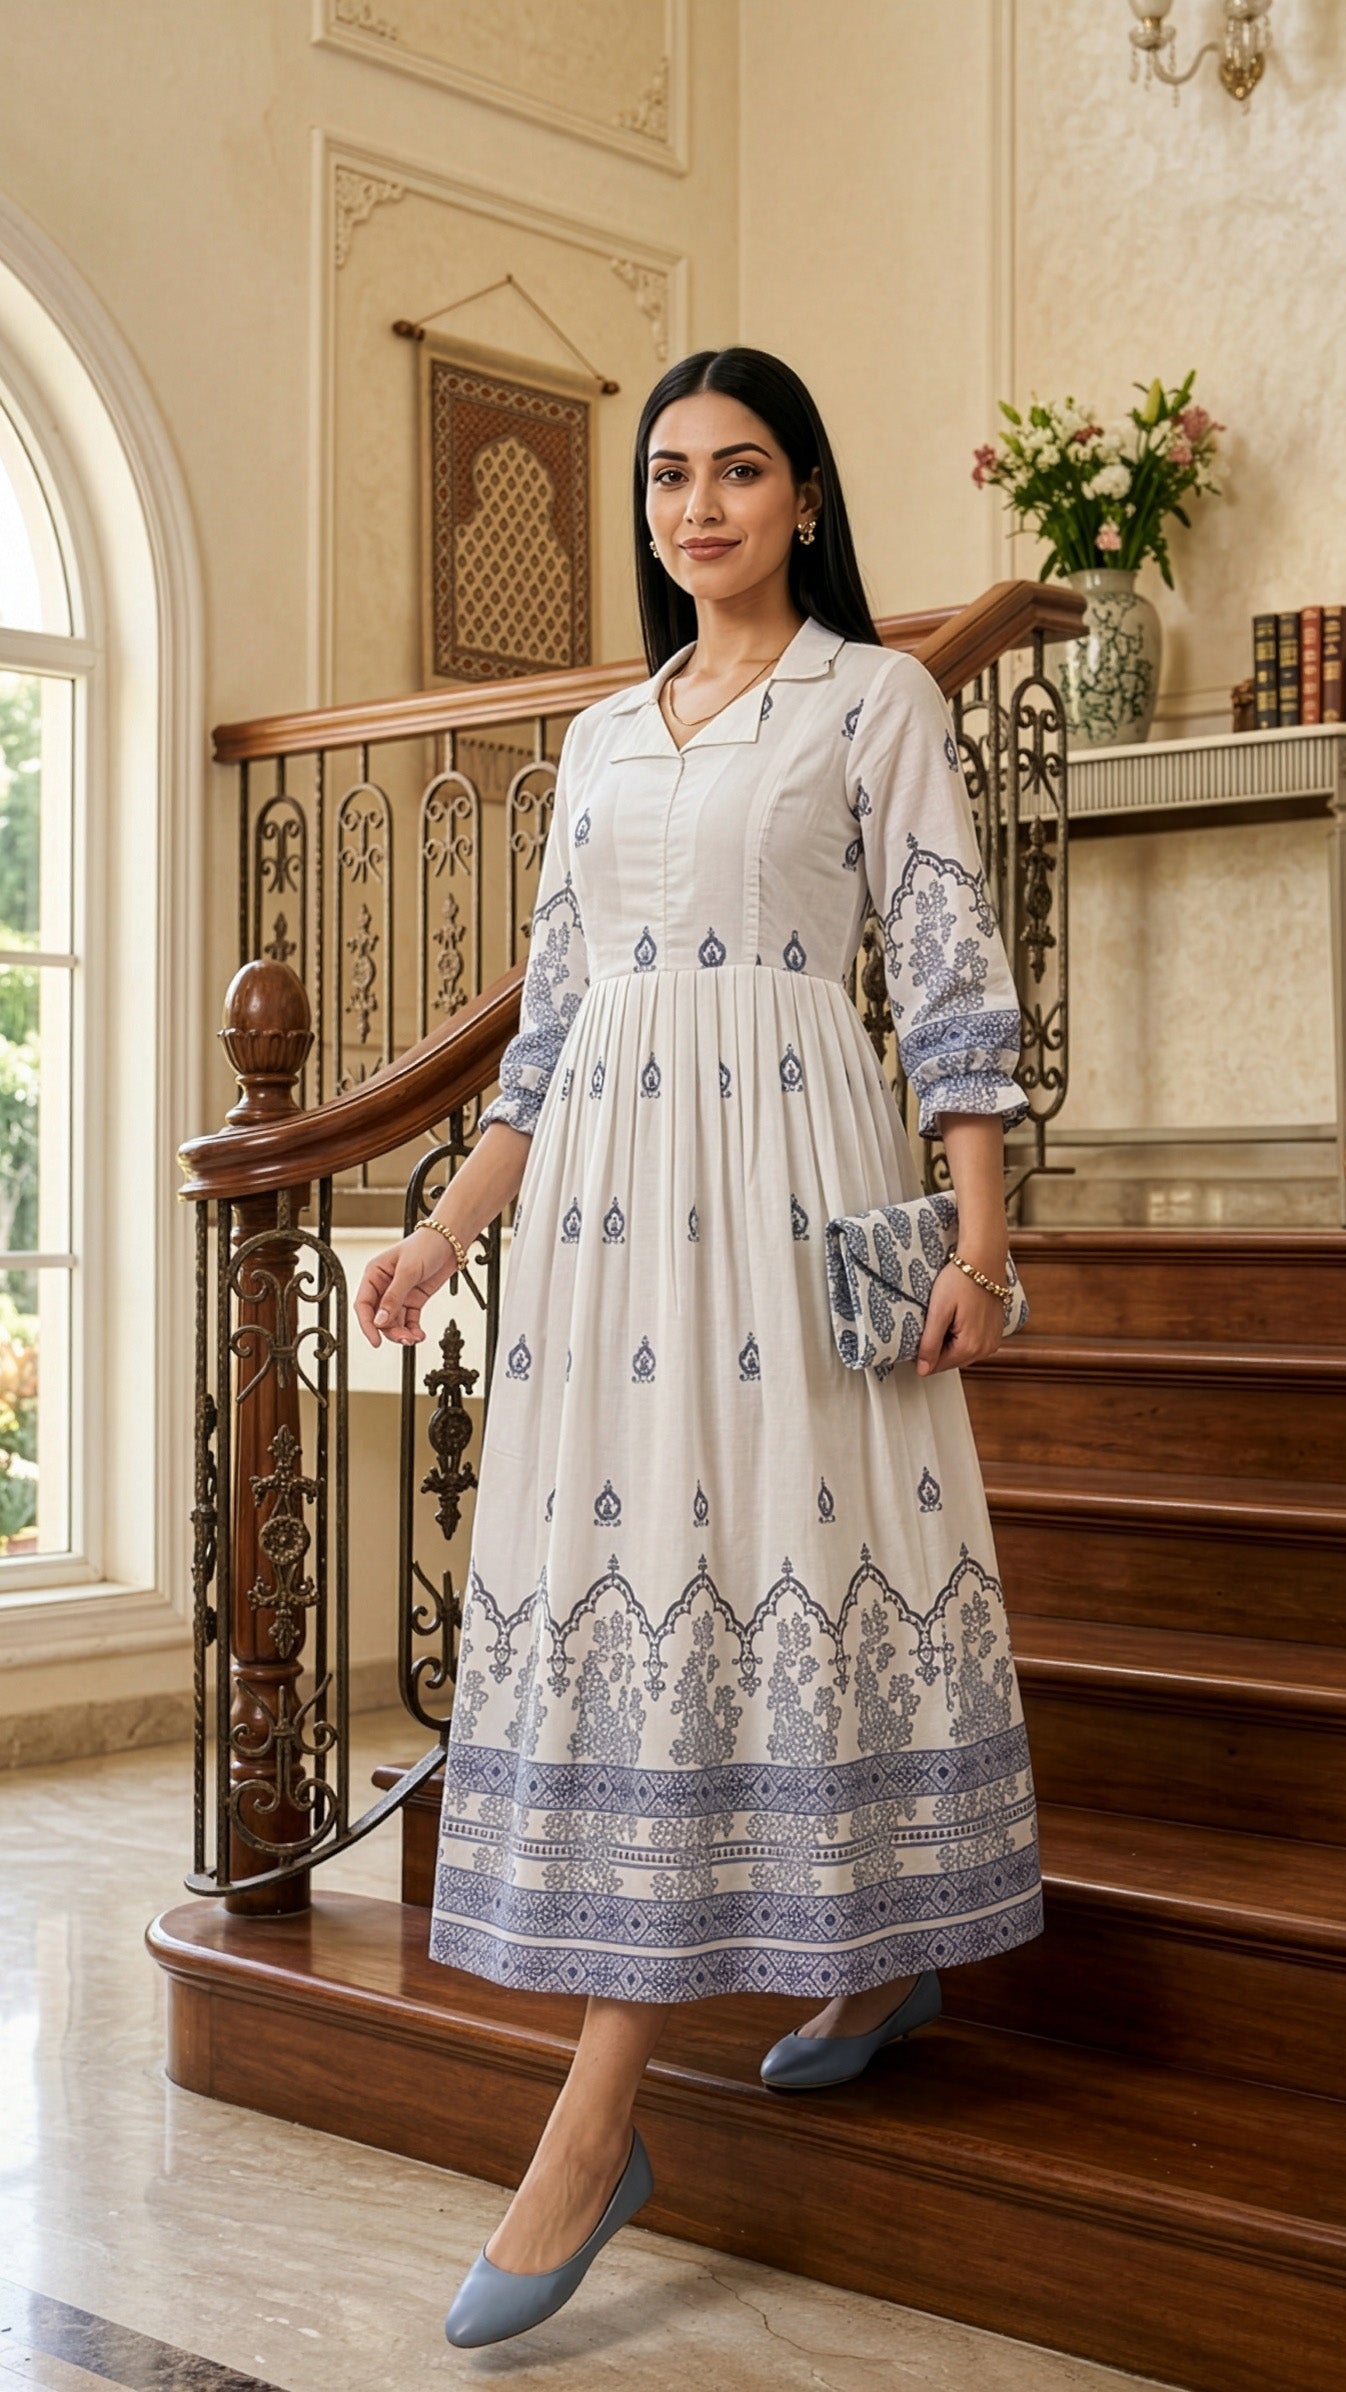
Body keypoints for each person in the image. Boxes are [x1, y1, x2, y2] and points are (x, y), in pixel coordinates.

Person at [355, 344, 1043, 2350]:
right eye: (668, 475)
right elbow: (549, 1031)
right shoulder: (596, 737)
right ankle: (856, 1969)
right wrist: (443, 1234)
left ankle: (597, 2121)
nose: (700, 506)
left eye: (740, 471)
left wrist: (981, 1242)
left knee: (799, 1550)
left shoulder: (874, 697)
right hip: (604, 1225)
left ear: (804, 497)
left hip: (796, 1176)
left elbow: (946, 972)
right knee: (650, 1566)